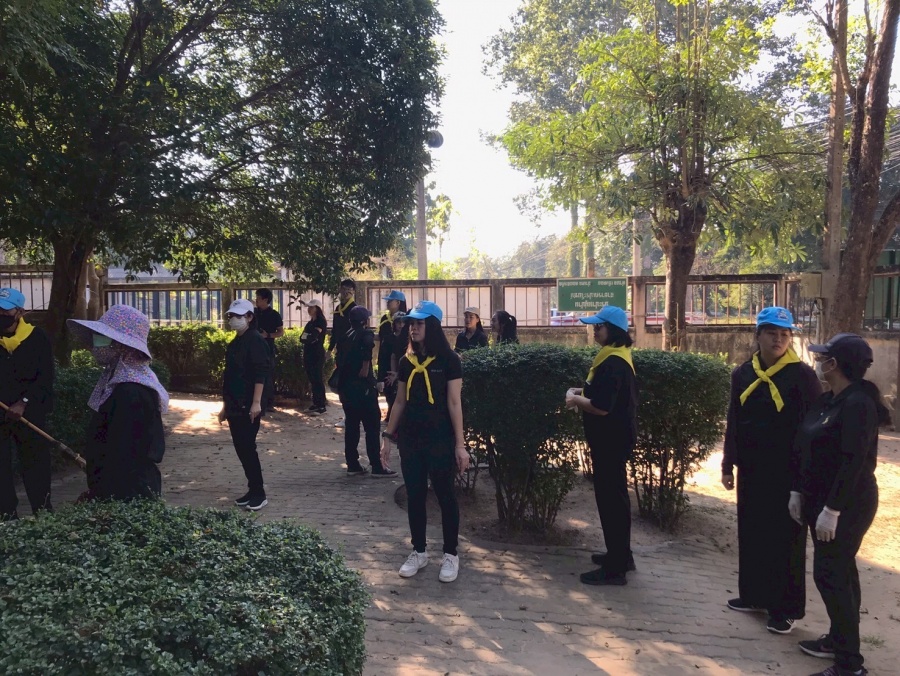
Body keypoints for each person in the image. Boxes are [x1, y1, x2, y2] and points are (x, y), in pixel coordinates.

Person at [721, 307, 821, 634]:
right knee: (752, 532)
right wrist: (727, 464)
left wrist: (803, 481)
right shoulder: (743, 374)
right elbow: (735, 420)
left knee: (786, 540)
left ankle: (786, 608)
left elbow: (811, 431)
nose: (778, 339)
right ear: (758, 335)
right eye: (772, 333)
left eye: (784, 334)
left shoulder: (803, 377)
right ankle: (754, 595)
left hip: (788, 473)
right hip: (752, 469)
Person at [792, 333, 887, 676]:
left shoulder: (858, 404)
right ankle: (838, 639)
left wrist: (832, 510)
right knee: (841, 572)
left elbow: (853, 462)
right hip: (820, 500)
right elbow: (806, 447)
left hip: (848, 503)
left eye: (824, 357)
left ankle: (849, 664)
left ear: (836, 364)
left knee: (830, 574)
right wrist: (798, 491)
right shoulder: (829, 399)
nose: (819, 361)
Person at [381, 301, 468, 583]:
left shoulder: (450, 361)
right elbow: (399, 402)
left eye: (419, 323)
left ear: (432, 326)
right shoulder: (407, 362)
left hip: (440, 440)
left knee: (445, 495)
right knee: (415, 495)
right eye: (411, 324)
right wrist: (387, 437)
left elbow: (454, 403)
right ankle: (418, 551)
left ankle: (451, 554)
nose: (413, 328)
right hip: (411, 440)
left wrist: (460, 445)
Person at [565, 305, 637, 586]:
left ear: (614, 330)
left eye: (599, 326)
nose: (595, 330)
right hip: (613, 440)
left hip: (611, 442)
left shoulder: (614, 362)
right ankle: (620, 556)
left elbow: (601, 406)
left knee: (611, 501)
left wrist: (575, 399)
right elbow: (602, 393)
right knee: (615, 499)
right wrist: (580, 392)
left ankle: (616, 569)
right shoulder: (615, 357)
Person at [68, 305, 169, 501]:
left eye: (102, 337)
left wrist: (101, 492)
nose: (95, 344)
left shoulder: (130, 391)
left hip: (128, 491)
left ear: (121, 345)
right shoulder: (120, 383)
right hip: (123, 486)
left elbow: (124, 453)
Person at [0, 288, 53, 520]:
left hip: (30, 414)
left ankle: (43, 513)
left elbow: (45, 378)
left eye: (5, 310)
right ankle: (7, 516)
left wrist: (23, 403)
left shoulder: (37, 338)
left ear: (20, 312)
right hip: (1, 414)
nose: (1, 314)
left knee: (35, 463)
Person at [218, 298, 272, 511]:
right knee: (241, 448)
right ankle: (252, 489)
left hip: (248, 405)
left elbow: (261, 374)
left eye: (238, 316)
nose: (233, 319)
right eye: (231, 316)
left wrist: (256, 403)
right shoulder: (235, 343)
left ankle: (259, 492)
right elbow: (230, 376)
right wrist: (225, 407)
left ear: (250, 317)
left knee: (248, 447)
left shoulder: (255, 340)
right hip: (234, 404)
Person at [338, 305, 397, 477]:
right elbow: (367, 345)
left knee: (352, 427)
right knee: (372, 427)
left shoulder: (346, 335)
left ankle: (352, 464)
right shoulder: (365, 334)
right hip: (363, 389)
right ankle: (377, 466)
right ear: (365, 321)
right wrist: (365, 367)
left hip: (347, 388)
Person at [378, 291, 408, 421]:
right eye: (397, 323)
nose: (388, 303)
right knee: (389, 389)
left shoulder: (408, 320)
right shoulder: (385, 319)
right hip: (387, 359)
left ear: (398, 303)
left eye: (390, 301)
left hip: (402, 364)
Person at [255, 288, 283, 409]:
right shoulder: (253, 313)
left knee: (268, 376)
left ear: (265, 300)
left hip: (268, 349)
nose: (256, 300)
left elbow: (281, 332)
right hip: (253, 348)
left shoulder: (274, 315)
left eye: (258, 297)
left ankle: (268, 403)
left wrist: (268, 335)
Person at [301, 299, 328, 414]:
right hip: (308, 352)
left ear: (317, 308)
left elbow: (313, 337)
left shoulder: (320, 321)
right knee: (312, 378)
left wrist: (309, 337)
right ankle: (315, 403)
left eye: (311, 307)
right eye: (309, 307)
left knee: (317, 379)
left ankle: (321, 405)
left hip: (317, 353)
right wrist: (308, 337)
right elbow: (302, 338)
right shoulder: (310, 323)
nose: (309, 309)